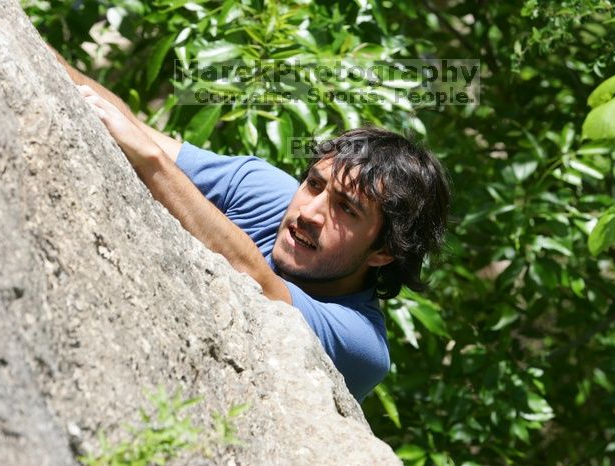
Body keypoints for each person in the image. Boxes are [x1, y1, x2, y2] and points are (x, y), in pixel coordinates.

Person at [53, 51, 451, 402]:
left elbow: (260, 290)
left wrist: (153, 163)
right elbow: (136, 131)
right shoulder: (268, 191)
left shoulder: (361, 345)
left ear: (383, 252)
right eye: (314, 184)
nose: (310, 212)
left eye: (346, 210)